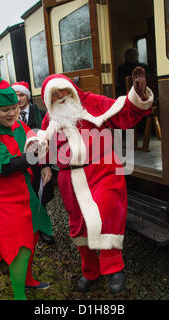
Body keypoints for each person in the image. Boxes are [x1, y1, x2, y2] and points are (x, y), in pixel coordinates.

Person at [35, 67, 154, 294]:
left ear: (71, 89)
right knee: (78, 224)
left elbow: (125, 113)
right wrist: (43, 165)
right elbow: (41, 147)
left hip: (104, 168)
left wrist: (138, 94)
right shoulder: (49, 121)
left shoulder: (93, 102)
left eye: (63, 91)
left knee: (107, 212)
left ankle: (113, 267)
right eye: (54, 95)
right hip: (70, 176)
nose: (61, 97)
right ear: (48, 100)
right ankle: (90, 270)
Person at [0, 76, 53, 300]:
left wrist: (44, 162)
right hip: (0, 196)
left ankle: (27, 280)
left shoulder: (17, 123)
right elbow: (7, 167)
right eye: (5, 110)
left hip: (22, 188)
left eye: (14, 108)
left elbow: (30, 136)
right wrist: (34, 157)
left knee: (33, 234)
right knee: (19, 244)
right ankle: (20, 295)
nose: (11, 114)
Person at [12, 81, 55, 244]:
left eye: (21, 95)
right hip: (21, 164)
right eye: (15, 96)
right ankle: (29, 228)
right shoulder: (10, 117)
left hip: (39, 163)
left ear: (28, 97)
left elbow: (49, 142)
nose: (18, 99)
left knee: (41, 195)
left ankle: (44, 229)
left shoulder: (42, 114)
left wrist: (46, 165)